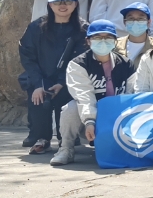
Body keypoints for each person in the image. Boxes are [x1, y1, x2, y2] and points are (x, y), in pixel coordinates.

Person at [50, 19, 135, 166]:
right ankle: (66, 149)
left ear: (115, 41)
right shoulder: (78, 64)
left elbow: (131, 95)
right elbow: (84, 95)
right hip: (88, 120)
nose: (103, 41)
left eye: (108, 37)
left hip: (117, 118)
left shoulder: (126, 64)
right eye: (97, 37)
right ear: (88, 41)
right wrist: (90, 121)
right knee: (70, 108)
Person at [18, 0, 88, 153]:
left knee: (66, 103)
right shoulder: (36, 27)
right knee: (38, 98)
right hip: (41, 78)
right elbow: (27, 56)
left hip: (69, 80)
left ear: (75, 4)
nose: (62, 6)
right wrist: (38, 84)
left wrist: (62, 82)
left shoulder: (83, 29)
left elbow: (82, 59)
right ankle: (40, 137)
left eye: (67, 1)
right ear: (50, 4)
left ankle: (67, 137)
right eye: (57, 2)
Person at [115, 2, 153, 67]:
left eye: (140, 19)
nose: (135, 22)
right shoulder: (115, 45)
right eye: (131, 19)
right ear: (124, 22)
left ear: (149, 22)